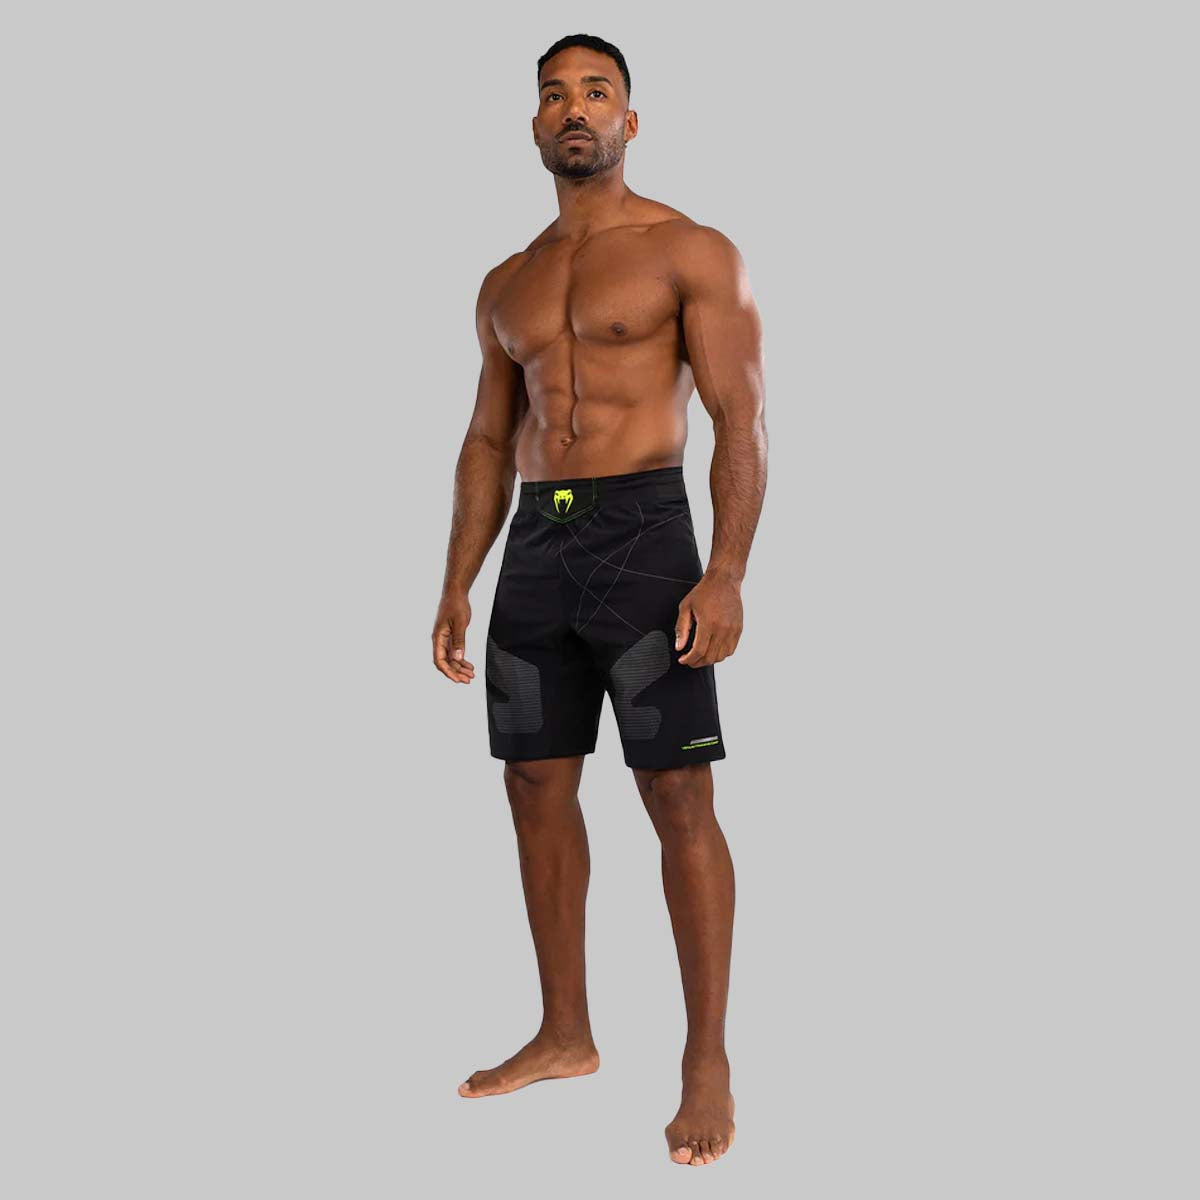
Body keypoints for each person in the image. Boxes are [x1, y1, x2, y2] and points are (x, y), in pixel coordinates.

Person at [431, 32, 767, 1167]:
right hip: (537, 547)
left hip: (645, 540)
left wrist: (727, 570)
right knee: (533, 782)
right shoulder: (506, 282)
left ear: (630, 119)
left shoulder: (688, 249)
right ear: (535, 125)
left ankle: (706, 1059)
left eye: (596, 92)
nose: (574, 108)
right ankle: (564, 1031)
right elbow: (488, 438)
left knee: (676, 792)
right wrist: (456, 579)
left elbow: (740, 417)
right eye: (554, 95)